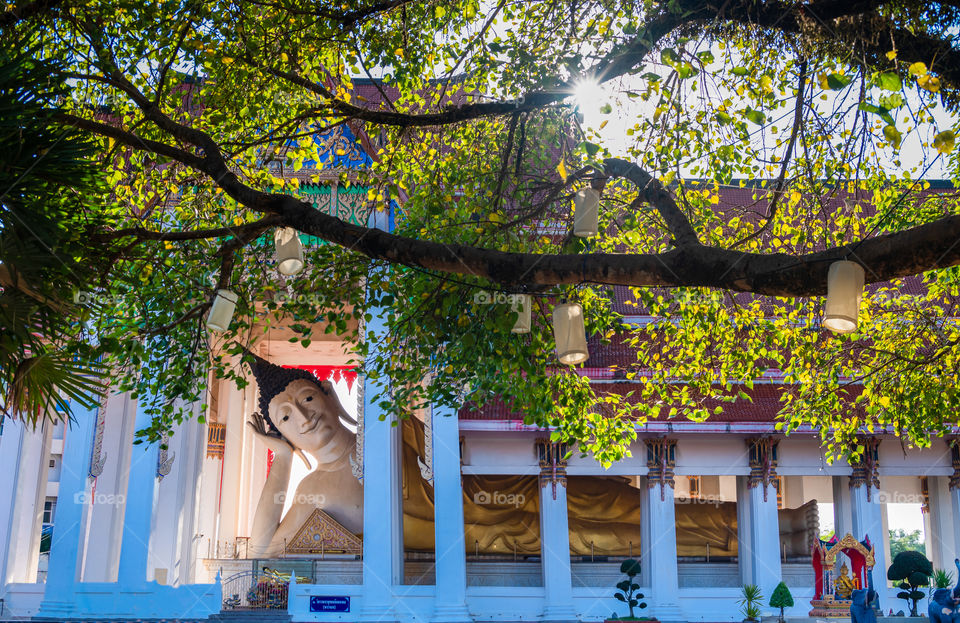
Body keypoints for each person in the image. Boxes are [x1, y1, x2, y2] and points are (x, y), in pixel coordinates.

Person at [246, 354, 362, 558]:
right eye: (286, 417)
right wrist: (283, 456)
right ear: (284, 436)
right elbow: (261, 554)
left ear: (329, 394)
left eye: (308, 399)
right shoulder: (311, 488)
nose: (303, 417)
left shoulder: (385, 442)